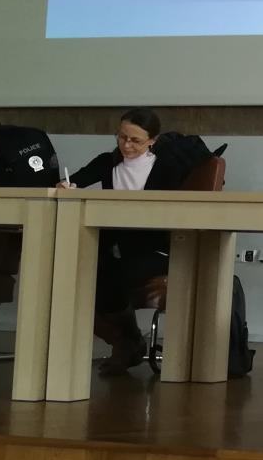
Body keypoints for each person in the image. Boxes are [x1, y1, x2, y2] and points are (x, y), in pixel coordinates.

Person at [61, 109, 189, 375]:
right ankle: (126, 340)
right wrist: (66, 186)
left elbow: (176, 212)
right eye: (122, 137)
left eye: (135, 140)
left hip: (154, 249)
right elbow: (73, 181)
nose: (127, 145)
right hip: (114, 248)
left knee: (109, 275)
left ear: (152, 141)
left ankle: (127, 342)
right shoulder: (107, 162)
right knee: (77, 272)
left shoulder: (167, 167)